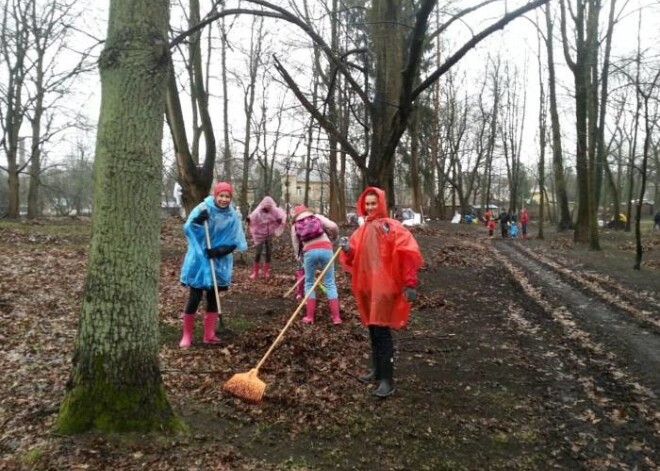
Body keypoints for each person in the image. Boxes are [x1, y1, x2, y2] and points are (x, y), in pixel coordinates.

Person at [339, 187, 423, 398]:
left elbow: (407, 253)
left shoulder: (390, 227)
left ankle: (387, 380)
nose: (369, 207)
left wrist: (410, 283)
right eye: (366, 204)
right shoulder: (362, 230)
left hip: (384, 288)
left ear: (381, 203)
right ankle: (377, 370)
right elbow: (354, 257)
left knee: (382, 332)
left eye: (373, 203)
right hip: (367, 286)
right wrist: (347, 249)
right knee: (373, 330)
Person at [178, 182, 247, 348]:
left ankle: (209, 334)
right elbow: (188, 228)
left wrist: (219, 251)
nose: (224, 199)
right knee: (195, 296)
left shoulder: (232, 216)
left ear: (230, 198)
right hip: (199, 260)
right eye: (221, 195)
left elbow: (236, 240)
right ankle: (186, 335)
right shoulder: (203, 208)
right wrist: (196, 221)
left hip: (219, 261)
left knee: (213, 297)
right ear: (215, 195)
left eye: (227, 196)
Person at [290, 204, 342, 325]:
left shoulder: (294, 225)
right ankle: (336, 318)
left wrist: (299, 257)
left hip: (309, 251)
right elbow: (333, 226)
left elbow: (295, 244)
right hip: (326, 248)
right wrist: (333, 239)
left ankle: (309, 317)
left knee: (309, 283)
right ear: (307, 210)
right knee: (330, 283)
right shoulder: (316, 216)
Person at [246, 196, 286, 279]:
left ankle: (266, 271)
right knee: (258, 252)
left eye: (269, 207)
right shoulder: (258, 211)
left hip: (269, 233)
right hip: (259, 233)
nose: (268, 209)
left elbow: (281, 216)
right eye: (266, 207)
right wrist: (249, 220)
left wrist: (280, 220)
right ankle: (255, 272)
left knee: (269, 251)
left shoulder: (274, 210)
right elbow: (252, 217)